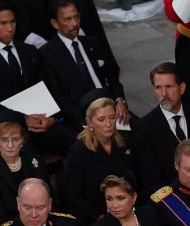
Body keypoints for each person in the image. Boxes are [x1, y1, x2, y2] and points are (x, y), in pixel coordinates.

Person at [0, 0, 76, 155]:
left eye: (12, 22)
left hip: (42, 123)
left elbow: (48, 87)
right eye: (3, 23)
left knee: (78, 143)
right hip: (9, 131)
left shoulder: (29, 51)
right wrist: (21, 120)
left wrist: (53, 118)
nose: (10, 28)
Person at [39, 0, 127, 129]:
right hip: (82, 120)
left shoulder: (92, 43)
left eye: (76, 17)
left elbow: (112, 76)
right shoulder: (47, 54)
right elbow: (58, 96)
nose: (74, 24)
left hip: (112, 110)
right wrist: (84, 122)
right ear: (55, 23)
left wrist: (120, 100)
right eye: (67, 19)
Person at [133, 62, 190, 196]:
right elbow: (151, 179)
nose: (164, 93)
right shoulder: (143, 128)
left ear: (181, 88)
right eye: (158, 87)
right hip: (170, 203)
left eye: (169, 86)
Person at [64, 92, 136, 225]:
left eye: (112, 117)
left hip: (127, 210)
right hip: (96, 217)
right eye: (101, 119)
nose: (108, 124)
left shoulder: (125, 141)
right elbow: (73, 196)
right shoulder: (78, 151)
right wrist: (99, 217)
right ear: (90, 122)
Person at [0, 110, 50, 226]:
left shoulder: (35, 162)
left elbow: (48, 198)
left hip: (41, 225)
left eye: (15, 139)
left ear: (23, 139)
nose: (10, 145)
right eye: (4, 139)